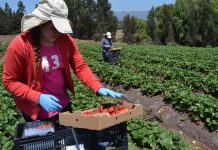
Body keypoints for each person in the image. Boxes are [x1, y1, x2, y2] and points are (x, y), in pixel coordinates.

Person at [2, 0, 123, 123]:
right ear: (40, 23)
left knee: (66, 140)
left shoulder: (65, 40)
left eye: (60, 28)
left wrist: (97, 86)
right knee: (46, 142)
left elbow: (80, 67)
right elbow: (9, 81)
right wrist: (38, 97)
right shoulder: (21, 45)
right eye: (54, 28)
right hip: (36, 112)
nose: (58, 33)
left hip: (63, 105)